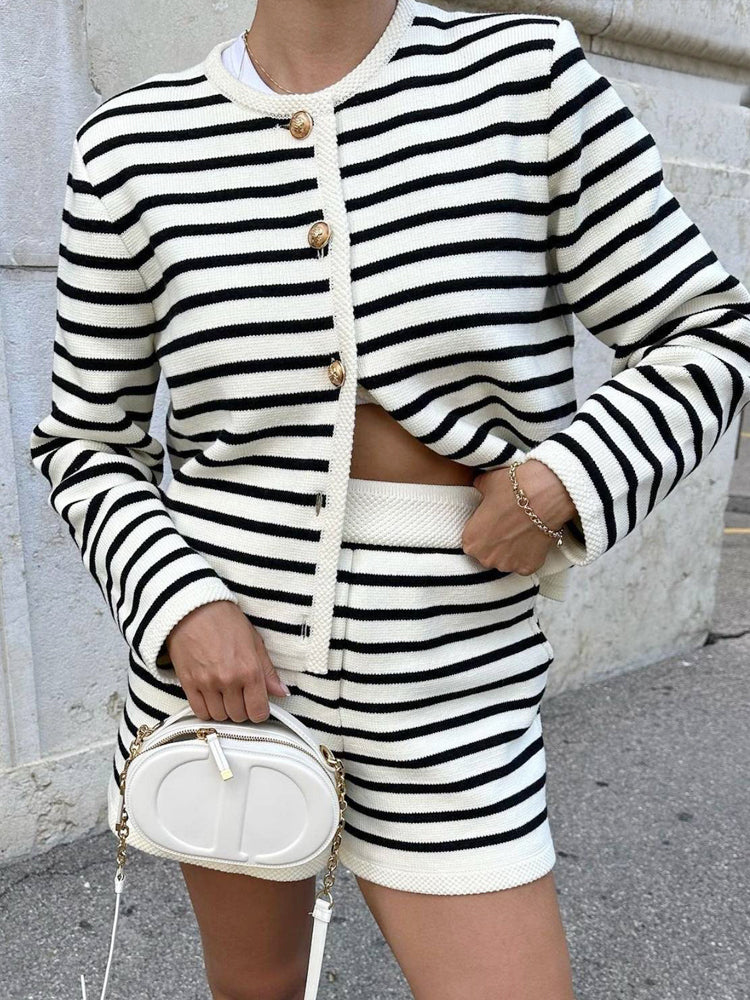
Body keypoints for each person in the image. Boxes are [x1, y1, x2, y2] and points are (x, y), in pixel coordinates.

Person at [28, 1, 750, 998]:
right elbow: (84, 438)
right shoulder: (131, 145)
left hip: (451, 671)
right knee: (257, 988)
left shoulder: (524, 81)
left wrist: (564, 480)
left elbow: (708, 329)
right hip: (222, 680)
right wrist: (179, 605)